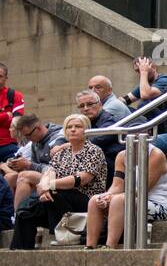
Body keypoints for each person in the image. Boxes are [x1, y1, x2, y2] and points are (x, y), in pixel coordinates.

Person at [9, 114, 107, 250]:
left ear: (87, 130)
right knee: (25, 209)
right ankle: (19, 251)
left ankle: (64, 236)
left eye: (78, 126)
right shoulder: (61, 153)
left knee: (56, 192)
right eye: (69, 127)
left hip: (88, 201)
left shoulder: (94, 151)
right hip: (60, 201)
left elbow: (81, 179)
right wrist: (43, 189)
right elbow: (48, 173)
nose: (73, 129)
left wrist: (51, 185)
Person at [85, 145, 167, 249]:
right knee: (95, 200)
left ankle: (110, 246)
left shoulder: (156, 155)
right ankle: (90, 247)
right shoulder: (121, 156)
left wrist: (115, 198)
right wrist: (107, 196)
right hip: (128, 200)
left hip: (157, 204)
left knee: (119, 200)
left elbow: (143, 188)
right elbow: (117, 186)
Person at [3, 114, 66, 209]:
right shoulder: (35, 142)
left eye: (28, 135)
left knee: (24, 176)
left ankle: (18, 216)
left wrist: (29, 164)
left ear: (38, 128)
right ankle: (7, 213)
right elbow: (34, 165)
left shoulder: (57, 138)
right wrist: (21, 166)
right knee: (10, 176)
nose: (27, 139)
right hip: (44, 177)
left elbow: (53, 169)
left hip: (58, 178)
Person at [75, 89, 125, 171]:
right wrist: (59, 143)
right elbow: (65, 132)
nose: (86, 108)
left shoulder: (110, 120)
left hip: (112, 170)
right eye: (82, 106)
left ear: (100, 104)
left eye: (90, 104)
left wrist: (72, 144)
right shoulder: (83, 121)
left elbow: (96, 140)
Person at [0, 63, 26, 162]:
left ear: (6, 78)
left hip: (8, 146)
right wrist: (6, 116)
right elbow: (11, 120)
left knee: (23, 162)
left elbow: (17, 123)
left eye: (0, 76)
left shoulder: (15, 95)